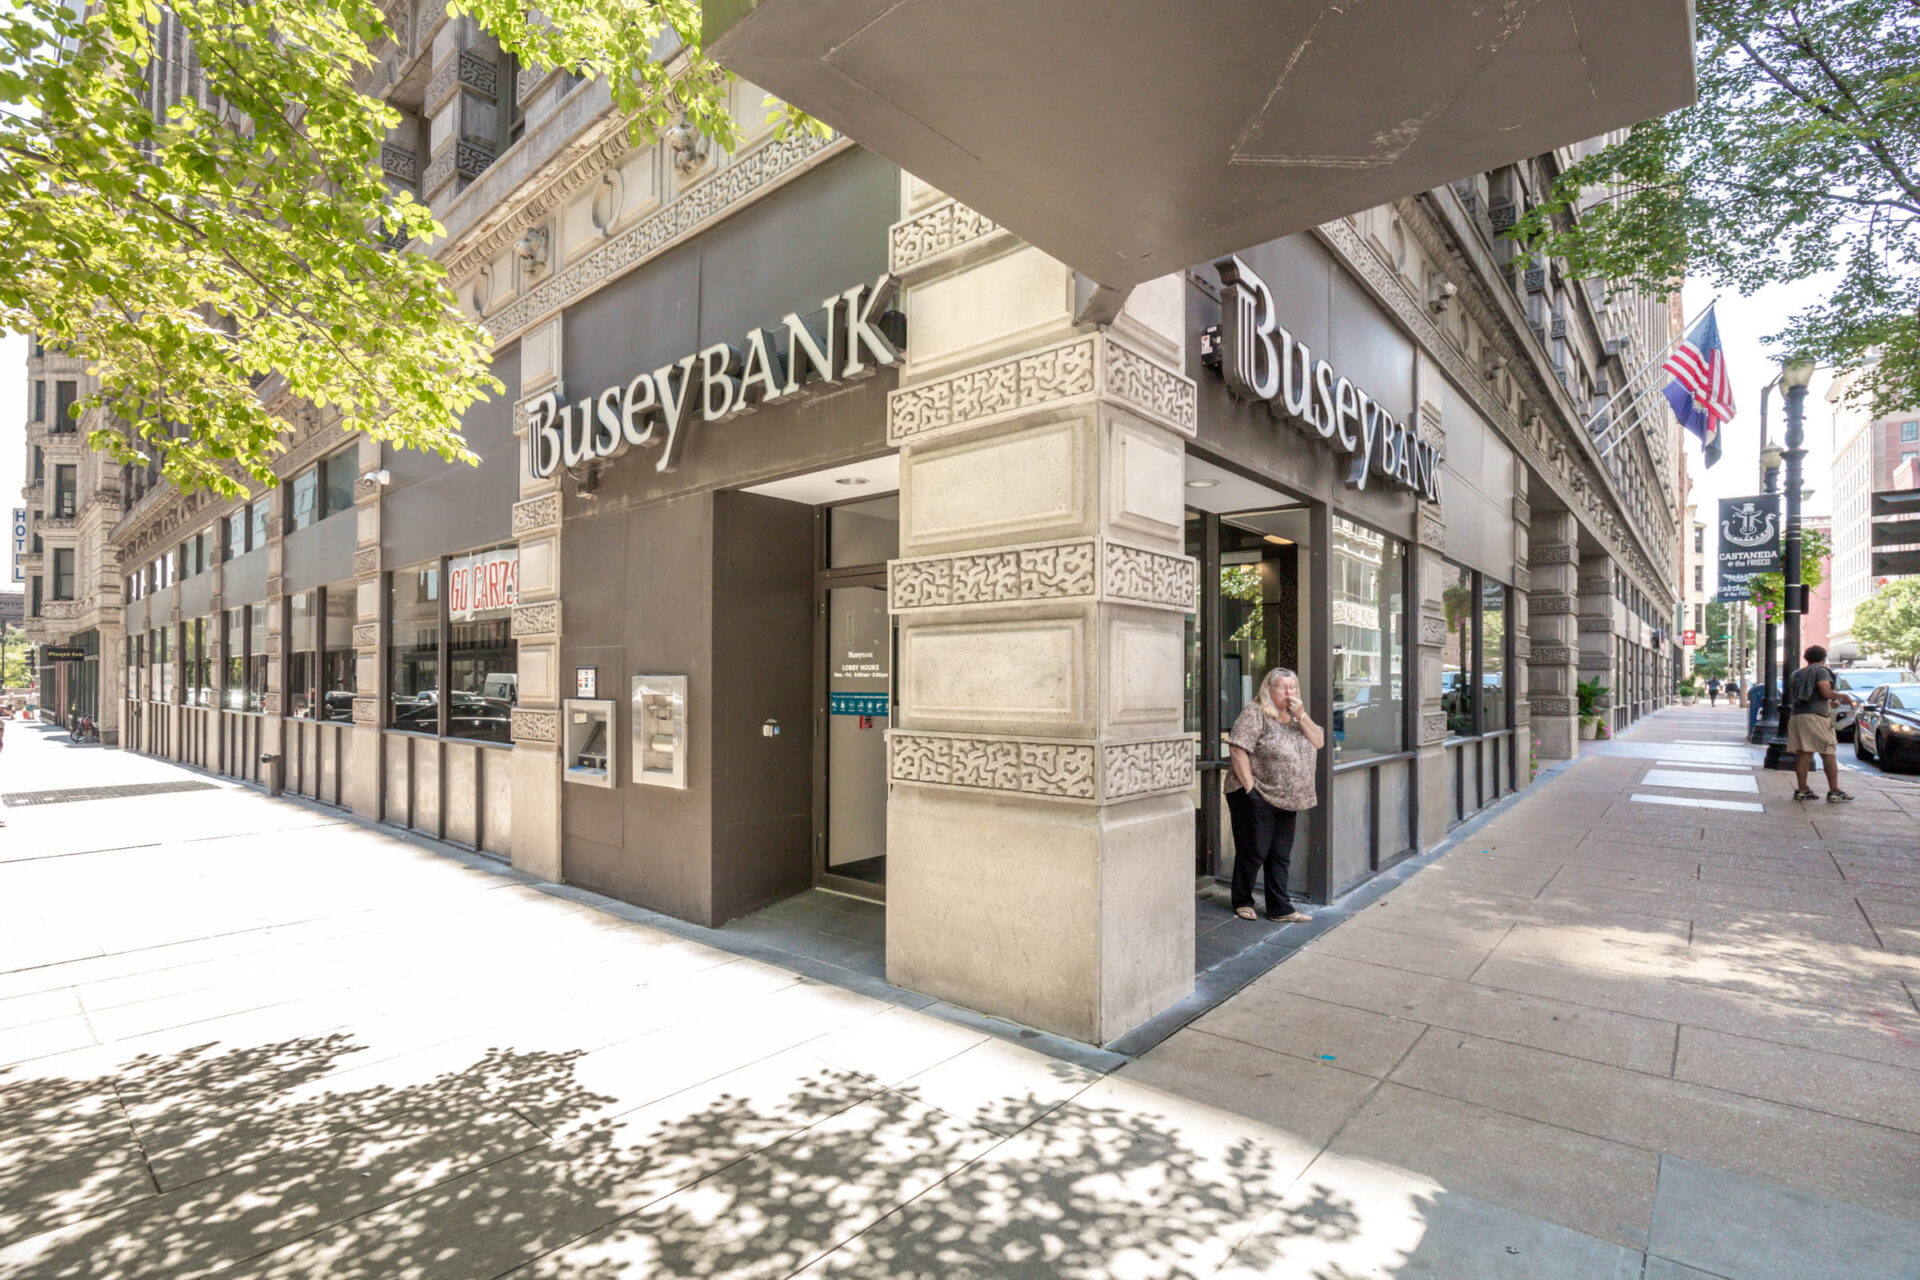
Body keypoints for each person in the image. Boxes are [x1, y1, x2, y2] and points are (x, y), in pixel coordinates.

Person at [1225, 667, 1323, 924]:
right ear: (1268, 689)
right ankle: (1242, 900)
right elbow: (1237, 749)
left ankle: (1280, 909)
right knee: (1254, 850)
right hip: (1255, 792)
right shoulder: (1256, 713)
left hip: (1287, 798)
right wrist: (1250, 790)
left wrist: (1302, 716)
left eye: (1293, 687)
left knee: (1280, 854)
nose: (1289, 693)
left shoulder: (1297, 717)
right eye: (1283, 687)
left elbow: (1319, 741)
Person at [1787, 644, 1854, 803]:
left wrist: (1829, 702)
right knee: (1828, 752)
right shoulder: (1821, 671)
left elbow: (1805, 694)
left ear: (1806, 658)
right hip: (1816, 717)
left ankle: (1802, 790)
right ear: (1823, 658)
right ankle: (1834, 791)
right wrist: (1842, 696)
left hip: (1797, 716)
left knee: (1804, 753)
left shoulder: (1797, 674)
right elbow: (1824, 691)